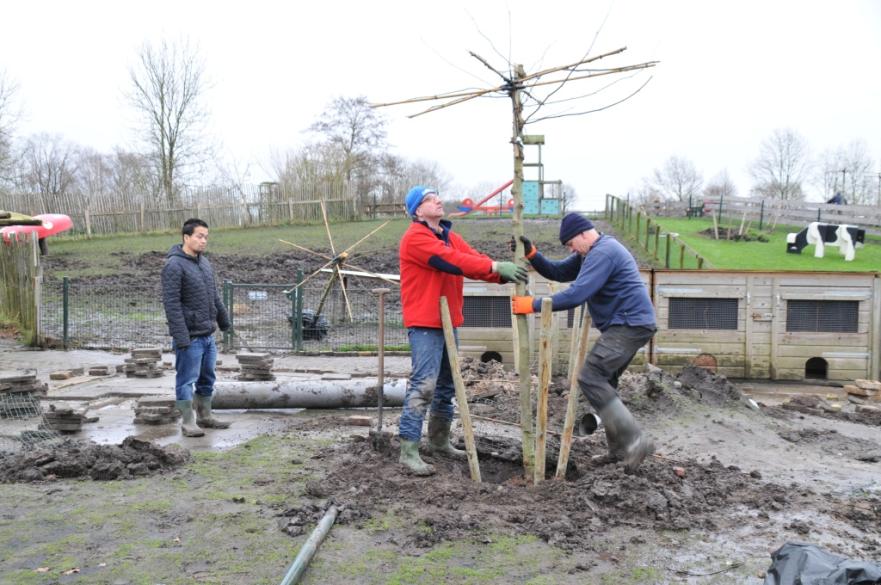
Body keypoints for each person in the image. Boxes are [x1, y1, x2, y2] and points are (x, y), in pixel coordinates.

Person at [511, 213, 656, 472]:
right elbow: (559, 271)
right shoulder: (589, 253)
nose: (570, 249)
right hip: (628, 324)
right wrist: (533, 255)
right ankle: (620, 451)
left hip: (629, 324)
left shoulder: (604, 253)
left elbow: (577, 295)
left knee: (590, 377)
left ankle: (636, 441)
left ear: (583, 234)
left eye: (570, 244)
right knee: (605, 383)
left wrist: (533, 305)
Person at [398, 186, 528, 475]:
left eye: (437, 197)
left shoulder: (449, 237)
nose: (438, 201)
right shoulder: (416, 238)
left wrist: (502, 274)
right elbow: (454, 262)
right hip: (425, 322)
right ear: (417, 210)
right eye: (430, 199)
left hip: (449, 321)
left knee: (448, 384)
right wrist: (496, 265)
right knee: (424, 384)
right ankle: (408, 450)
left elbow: (472, 260)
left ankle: (439, 441)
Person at [161, 218, 232, 438]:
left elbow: (214, 296)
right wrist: (182, 338)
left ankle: (205, 416)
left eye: (206, 237)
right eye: (199, 236)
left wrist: (224, 322)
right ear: (186, 237)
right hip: (190, 337)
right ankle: (188, 422)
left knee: (207, 378)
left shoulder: (204, 263)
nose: (203, 241)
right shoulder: (173, 265)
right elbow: (171, 305)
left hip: (207, 335)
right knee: (186, 380)